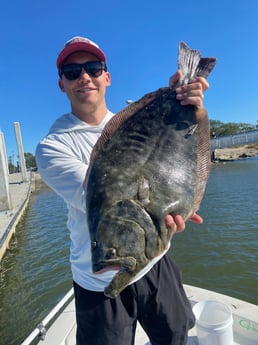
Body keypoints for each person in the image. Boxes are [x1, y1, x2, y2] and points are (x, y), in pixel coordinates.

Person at [36, 36, 209, 345]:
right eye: (72, 72)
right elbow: (102, 202)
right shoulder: (54, 146)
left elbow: (170, 168)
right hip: (97, 279)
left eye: (93, 67)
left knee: (177, 335)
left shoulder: (130, 119)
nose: (84, 77)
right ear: (61, 84)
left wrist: (183, 102)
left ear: (107, 76)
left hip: (156, 262)